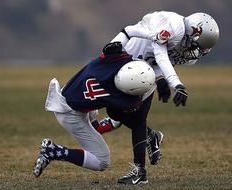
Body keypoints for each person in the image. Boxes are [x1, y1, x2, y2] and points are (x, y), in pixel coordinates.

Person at [90, 11, 219, 185]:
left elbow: (161, 62)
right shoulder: (173, 27)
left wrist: (160, 79)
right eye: (195, 45)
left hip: (145, 70)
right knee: (114, 111)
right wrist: (175, 84)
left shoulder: (187, 50)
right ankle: (151, 136)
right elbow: (159, 52)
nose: (194, 51)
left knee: (138, 119)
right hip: (127, 60)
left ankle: (139, 171)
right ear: (192, 31)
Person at [33, 42, 156, 185]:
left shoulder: (114, 59)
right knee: (102, 161)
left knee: (100, 126)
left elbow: (112, 47)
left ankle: (55, 149)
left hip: (72, 91)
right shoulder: (122, 100)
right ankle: (54, 151)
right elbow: (134, 117)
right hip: (69, 113)